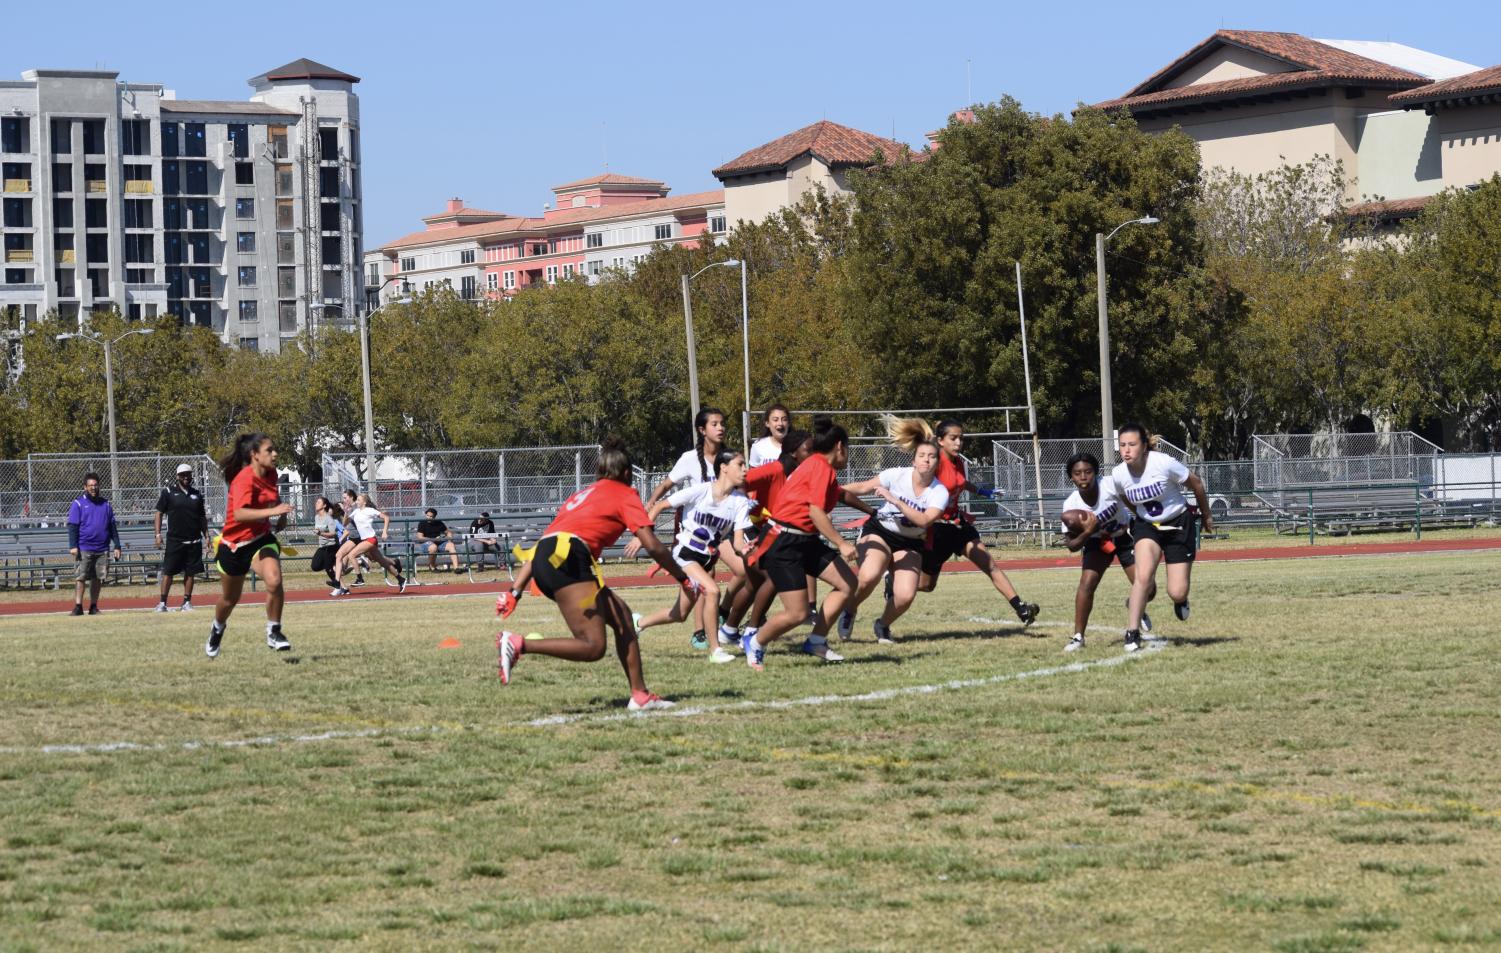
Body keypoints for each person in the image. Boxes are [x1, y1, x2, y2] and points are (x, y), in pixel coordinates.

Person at [496, 437, 695, 711]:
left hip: (547, 555)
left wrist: (514, 590)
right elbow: (651, 544)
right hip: (567, 558)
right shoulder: (625, 493)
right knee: (593, 646)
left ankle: (640, 695)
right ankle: (519, 644)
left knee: (623, 618)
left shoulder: (580, 495)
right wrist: (683, 578)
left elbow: (547, 541)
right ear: (627, 473)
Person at [742, 418, 871, 670]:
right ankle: (755, 642)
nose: (848, 456)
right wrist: (841, 543)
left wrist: (873, 509)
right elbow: (815, 512)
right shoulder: (820, 467)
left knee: (847, 583)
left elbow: (839, 495)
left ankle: (816, 640)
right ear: (839, 447)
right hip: (785, 541)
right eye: (848, 449)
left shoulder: (821, 468)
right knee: (797, 613)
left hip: (805, 539)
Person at [835, 419, 950, 644]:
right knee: (869, 576)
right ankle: (849, 609)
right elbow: (862, 487)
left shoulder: (939, 492)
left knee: (906, 595)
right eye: (922, 455)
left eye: (932, 456)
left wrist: (895, 500)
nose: (926, 459)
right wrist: (828, 489)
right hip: (880, 531)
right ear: (913, 460)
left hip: (910, 542)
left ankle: (882, 625)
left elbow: (925, 520)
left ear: (937, 462)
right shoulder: (897, 474)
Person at [635, 448, 755, 663]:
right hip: (685, 552)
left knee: (680, 614)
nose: (745, 469)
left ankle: (638, 623)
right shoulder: (701, 490)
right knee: (712, 591)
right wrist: (642, 535)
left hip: (706, 559)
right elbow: (661, 505)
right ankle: (716, 650)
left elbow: (737, 542)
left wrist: (745, 550)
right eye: (740, 464)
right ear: (724, 467)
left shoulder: (740, 502)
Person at [920, 419, 1040, 627]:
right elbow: (917, 487)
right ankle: (893, 582)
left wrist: (984, 491)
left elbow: (960, 482)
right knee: (927, 585)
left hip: (958, 525)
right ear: (940, 441)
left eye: (961, 438)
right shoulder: (934, 462)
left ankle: (1021, 608)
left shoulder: (957, 461)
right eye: (953, 438)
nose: (958, 443)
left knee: (988, 564)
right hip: (937, 529)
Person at [1112, 423, 1214, 653]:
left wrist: (1206, 515)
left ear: (1144, 446)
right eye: (1122, 445)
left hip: (1177, 523)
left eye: (1132, 445)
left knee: (1176, 591)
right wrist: (1139, 513)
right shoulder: (1119, 474)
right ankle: (1132, 632)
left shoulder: (1163, 462)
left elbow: (1196, 483)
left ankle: (1181, 601)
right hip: (1147, 526)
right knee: (1143, 576)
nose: (1126, 450)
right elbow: (1124, 497)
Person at [207, 433, 293, 657]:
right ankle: (217, 628)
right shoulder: (243, 479)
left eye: (275, 449)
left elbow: (271, 499)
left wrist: (281, 513)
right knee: (229, 600)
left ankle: (274, 631)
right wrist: (273, 511)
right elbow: (240, 513)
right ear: (254, 455)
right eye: (269, 450)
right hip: (234, 546)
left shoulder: (272, 473)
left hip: (260, 539)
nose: (275, 454)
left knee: (274, 580)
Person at [1058, 452, 1154, 653]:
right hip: (1097, 542)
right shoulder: (1071, 504)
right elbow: (1072, 545)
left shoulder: (1110, 485)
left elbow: (1133, 504)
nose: (1083, 477)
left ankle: (1133, 603)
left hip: (1124, 537)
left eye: (1088, 472)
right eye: (1077, 473)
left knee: (1149, 588)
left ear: (1096, 472)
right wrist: (1086, 532)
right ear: (1071, 477)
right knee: (1087, 583)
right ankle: (1078, 637)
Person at [154, 463, 210, 612]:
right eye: (183, 474)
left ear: (191, 476)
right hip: (175, 540)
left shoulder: (197, 494)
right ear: (177, 476)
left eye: (188, 474)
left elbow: (202, 517)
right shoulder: (168, 492)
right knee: (168, 572)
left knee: (190, 573)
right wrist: (158, 534)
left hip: (193, 541)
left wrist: (207, 535)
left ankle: (186, 602)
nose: (186, 477)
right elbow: (159, 513)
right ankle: (162, 603)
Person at [67, 472, 121, 616]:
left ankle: (93, 606)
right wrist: (73, 546)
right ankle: (78, 606)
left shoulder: (106, 504)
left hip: (102, 548)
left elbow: (112, 526)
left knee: (98, 578)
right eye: (90, 485)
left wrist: (117, 545)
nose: (93, 488)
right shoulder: (78, 503)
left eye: (96, 485)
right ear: (85, 487)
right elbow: (73, 526)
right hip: (84, 548)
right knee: (81, 577)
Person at [332, 492, 406, 594]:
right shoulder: (356, 511)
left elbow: (386, 518)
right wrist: (346, 511)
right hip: (365, 540)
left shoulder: (370, 510)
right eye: (356, 499)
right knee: (383, 562)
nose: (356, 502)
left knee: (351, 554)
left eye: (359, 500)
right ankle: (401, 579)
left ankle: (360, 578)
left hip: (371, 539)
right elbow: (345, 523)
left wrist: (384, 531)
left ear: (365, 502)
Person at [416, 507, 461, 573]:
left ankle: (456, 568)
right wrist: (433, 539)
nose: (429, 517)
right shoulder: (422, 523)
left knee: (451, 545)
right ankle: (432, 566)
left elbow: (448, 532)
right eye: (427, 515)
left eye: (431, 516)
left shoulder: (439, 523)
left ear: (434, 517)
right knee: (433, 547)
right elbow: (420, 537)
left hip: (439, 543)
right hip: (426, 543)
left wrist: (449, 539)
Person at [310, 497, 342, 588]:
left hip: (332, 546)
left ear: (324, 505)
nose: (316, 503)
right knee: (315, 566)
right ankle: (336, 570)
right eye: (316, 502)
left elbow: (333, 533)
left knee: (328, 568)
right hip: (322, 546)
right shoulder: (316, 517)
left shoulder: (329, 518)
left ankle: (337, 584)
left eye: (319, 502)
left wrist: (320, 533)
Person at [749, 403, 791, 467]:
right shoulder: (758, 446)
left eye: (784, 419)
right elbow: (753, 474)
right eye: (775, 420)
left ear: (789, 423)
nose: (780, 423)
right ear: (767, 423)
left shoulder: (798, 446)